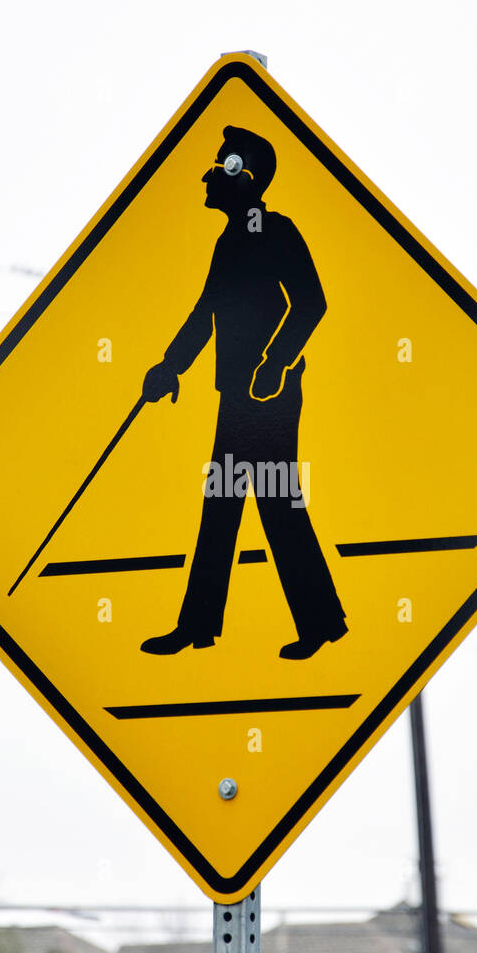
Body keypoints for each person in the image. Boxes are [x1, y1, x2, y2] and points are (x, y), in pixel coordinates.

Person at [140, 125, 346, 660]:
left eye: (220, 165)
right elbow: (205, 313)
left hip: (270, 398)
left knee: (276, 503)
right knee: (224, 504)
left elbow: (311, 302)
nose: (208, 174)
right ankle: (200, 626)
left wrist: (274, 364)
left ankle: (319, 623)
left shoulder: (276, 231)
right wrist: (169, 368)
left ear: (244, 177)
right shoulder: (228, 241)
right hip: (236, 396)